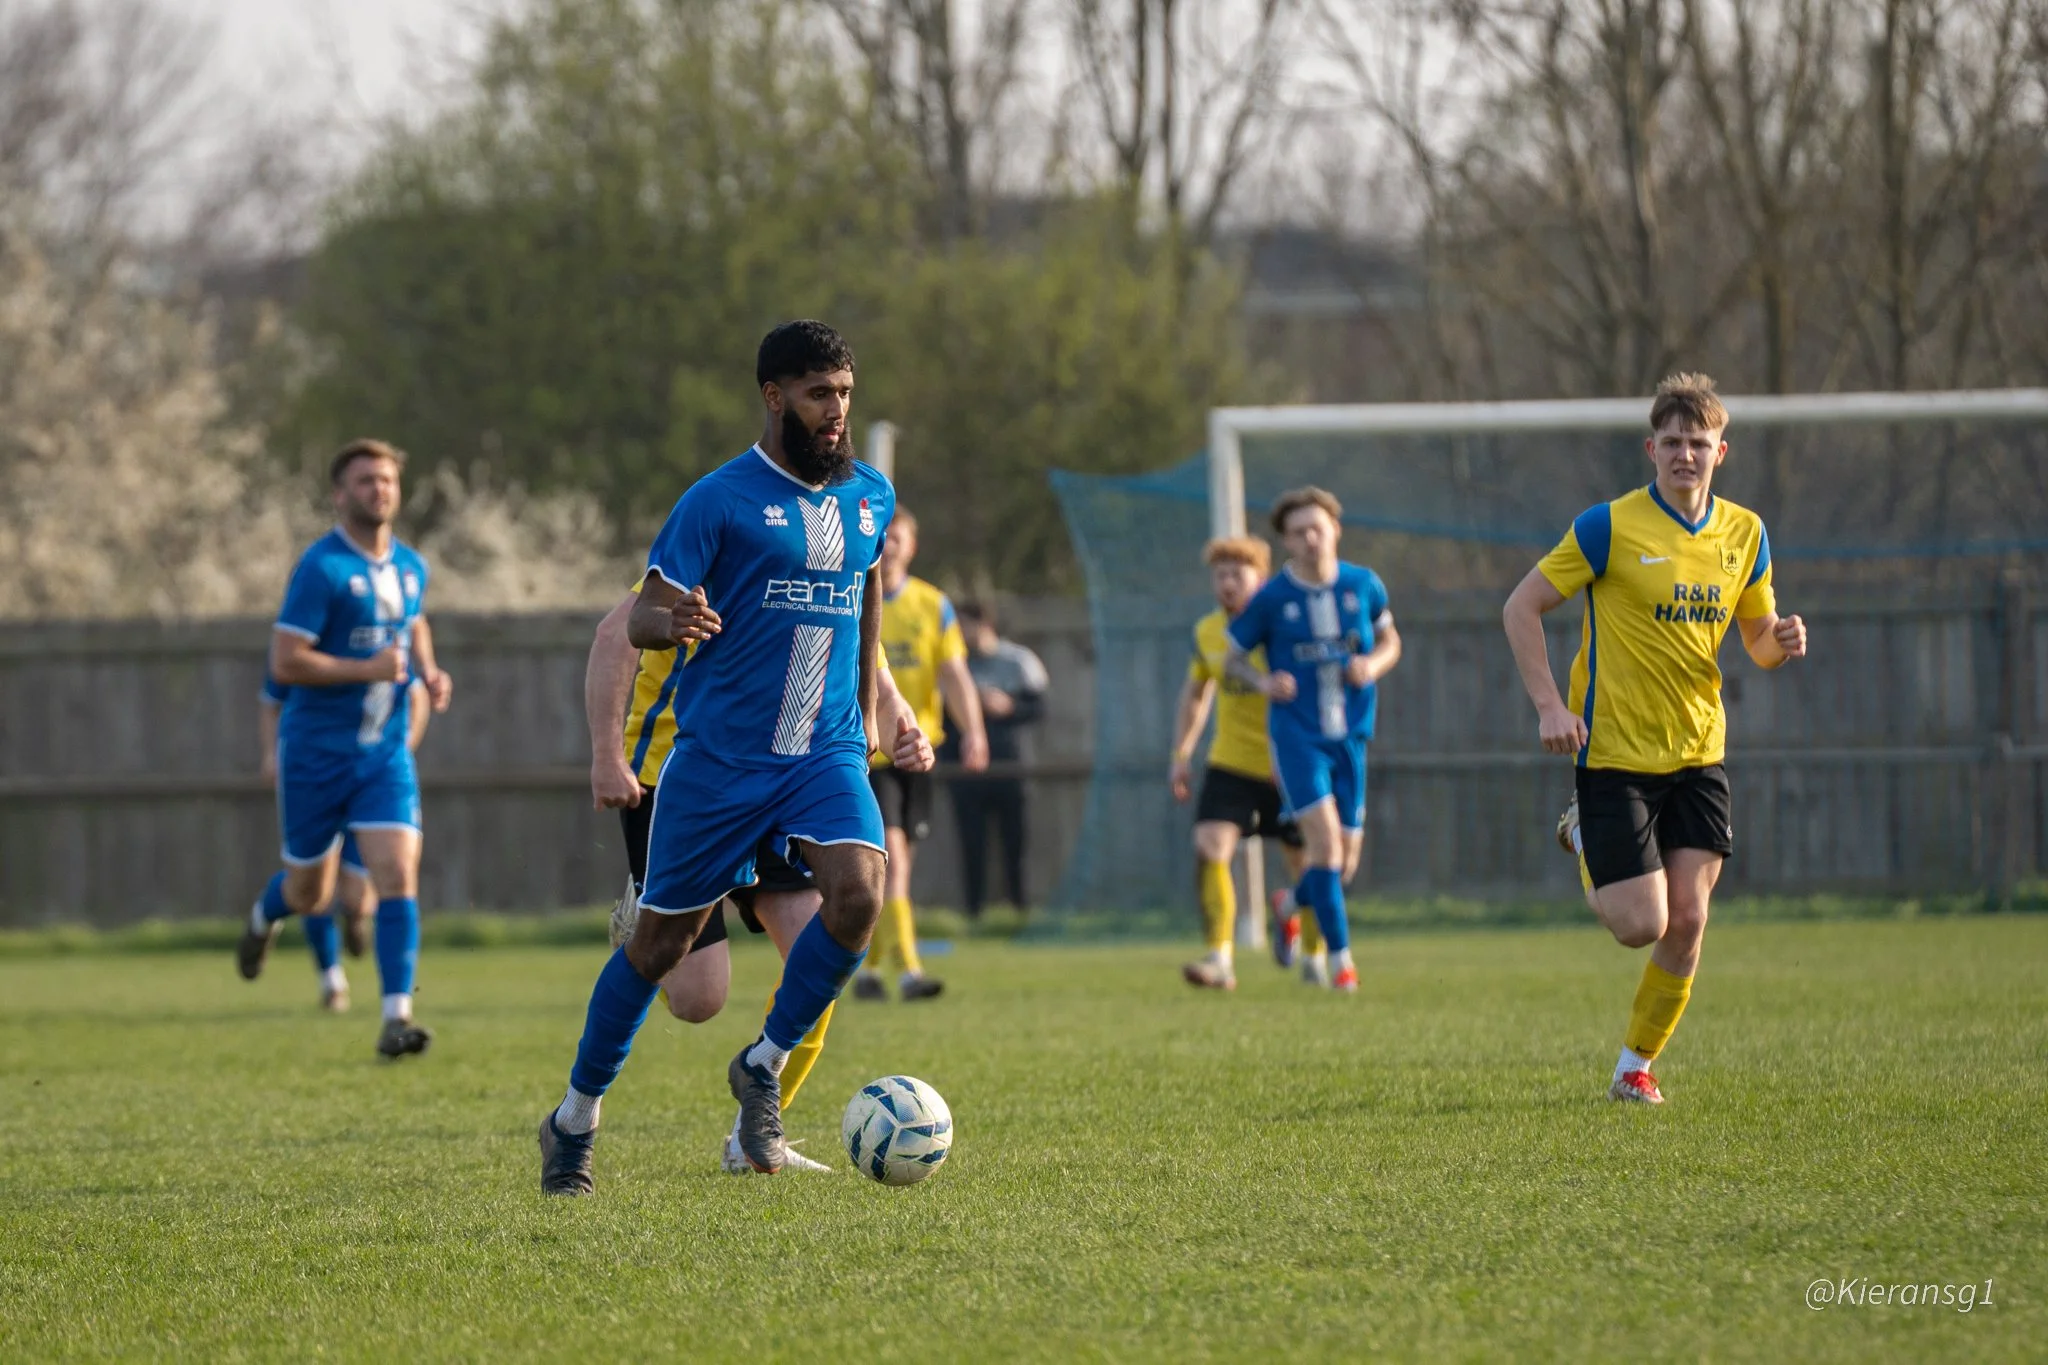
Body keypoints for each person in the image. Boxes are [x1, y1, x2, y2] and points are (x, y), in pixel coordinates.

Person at [538, 320, 933, 1195]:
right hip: (717, 764)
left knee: (861, 893)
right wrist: (669, 621)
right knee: (662, 956)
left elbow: (866, 594)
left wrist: (878, 710)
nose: (835, 412)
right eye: (817, 394)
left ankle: (763, 1063)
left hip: (822, 755)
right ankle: (573, 1118)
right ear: (773, 396)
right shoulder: (718, 500)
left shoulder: (870, 495)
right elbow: (640, 616)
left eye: (845, 394)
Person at [1502, 372, 1807, 1105]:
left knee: (1691, 919)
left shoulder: (1746, 533)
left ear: (1720, 451)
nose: (1684, 454)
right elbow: (1521, 605)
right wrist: (1549, 705)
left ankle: (1634, 1066)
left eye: (1698, 442)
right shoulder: (1608, 526)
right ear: (1651, 448)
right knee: (1641, 924)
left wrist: (1782, 641)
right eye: (1671, 441)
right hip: (1613, 754)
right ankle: (1583, 835)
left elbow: (1757, 639)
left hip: (1700, 752)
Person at [583, 582, 918, 1173]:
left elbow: (872, 668)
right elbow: (616, 636)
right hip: (674, 782)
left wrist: (901, 728)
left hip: (786, 778)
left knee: (824, 950)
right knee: (698, 999)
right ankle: (646, 920)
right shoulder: (721, 541)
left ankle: (752, 1137)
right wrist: (607, 754)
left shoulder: (830, 564)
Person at [237, 439, 454, 1059]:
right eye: (364, 481)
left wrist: (429, 671)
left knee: (397, 874)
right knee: (311, 892)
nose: (378, 489)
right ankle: (263, 915)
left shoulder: (411, 565)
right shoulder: (321, 568)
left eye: (386, 479)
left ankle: (395, 1017)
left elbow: (413, 622)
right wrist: (367, 669)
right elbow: (286, 660)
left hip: (382, 755)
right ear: (340, 494)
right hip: (314, 755)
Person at [1224, 487, 1401, 994]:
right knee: (1323, 846)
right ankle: (1342, 963)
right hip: (1297, 737)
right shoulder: (1273, 599)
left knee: (1341, 865)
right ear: (1286, 541)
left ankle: (1289, 903)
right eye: (1298, 531)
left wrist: (1373, 663)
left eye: (1316, 527)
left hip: (1351, 736)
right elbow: (1232, 657)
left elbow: (1391, 640)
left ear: (1335, 530)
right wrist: (1263, 681)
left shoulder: (1364, 585)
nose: (1309, 538)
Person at [854, 509, 987, 1002]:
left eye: (898, 539)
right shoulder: (851, 596)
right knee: (888, 856)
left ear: (912, 545)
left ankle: (866, 969)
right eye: (882, 538)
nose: (888, 547)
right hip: (870, 753)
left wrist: (973, 729)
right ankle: (908, 970)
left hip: (918, 752)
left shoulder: (933, 605)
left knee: (893, 860)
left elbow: (953, 673)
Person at [1169, 536, 1311, 991]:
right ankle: (1219, 959)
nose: (1227, 583)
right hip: (1231, 762)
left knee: (1306, 863)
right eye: (1220, 574)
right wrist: (1181, 754)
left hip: (1287, 761)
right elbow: (1196, 694)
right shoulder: (1208, 631)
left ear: (1260, 578)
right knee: (1210, 846)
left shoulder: (1286, 625)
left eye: (1238, 574)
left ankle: (1314, 954)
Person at [254, 670, 433, 1012]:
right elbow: (271, 701)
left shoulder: (381, 636)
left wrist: (402, 745)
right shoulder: (303, 646)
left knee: (360, 895)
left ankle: (356, 918)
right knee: (316, 890)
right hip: (317, 777)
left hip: (368, 781)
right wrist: (270, 753)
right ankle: (331, 980)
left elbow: (416, 691)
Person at [949, 602, 1047, 916]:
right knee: (971, 843)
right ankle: (973, 912)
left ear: (983, 624)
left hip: (1011, 766)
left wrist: (1009, 707)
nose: (960, 633)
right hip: (966, 770)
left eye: (964, 625)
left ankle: (1019, 909)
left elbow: (1039, 708)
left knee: (1015, 842)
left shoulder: (1018, 660)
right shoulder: (955, 663)